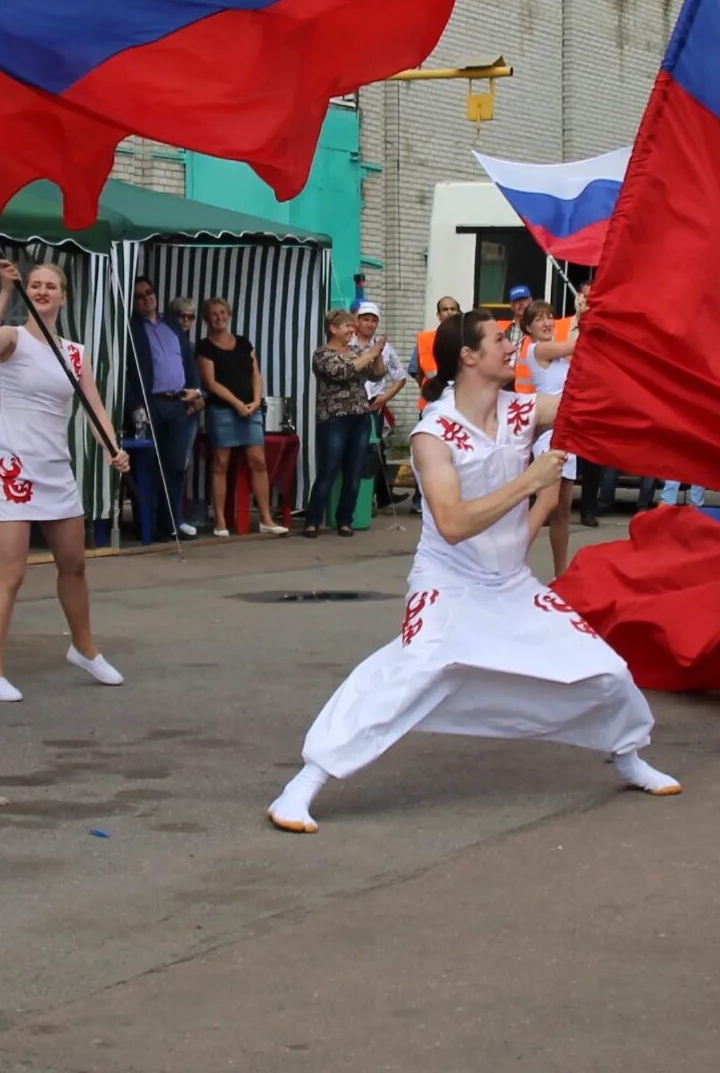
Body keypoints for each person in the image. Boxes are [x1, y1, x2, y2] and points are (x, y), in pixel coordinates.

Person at [266, 307, 680, 833]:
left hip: (511, 584)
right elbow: (455, 523)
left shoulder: (520, 411)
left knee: (607, 670)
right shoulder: (432, 434)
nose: (512, 347)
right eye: (500, 340)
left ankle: (626, 755)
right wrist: (530, 483)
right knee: (410, 673)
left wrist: (626, 352)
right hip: (448, 585)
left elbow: (594, 408)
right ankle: (304, 784)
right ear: (468, 356)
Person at [0, 259, 132, 700]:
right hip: (13, 467)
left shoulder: (75, 353)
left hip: (55, 468)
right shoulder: (12, 338)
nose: (41, 291)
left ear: (64, 296)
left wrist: (111, 448)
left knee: (74, 566)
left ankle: (84, 648)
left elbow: (95, 406)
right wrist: (5, 292)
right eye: (35, 285)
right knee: (11, 574)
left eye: (50, 286)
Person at [197, 297, 283, 536]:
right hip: (223, 411)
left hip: (251, 410)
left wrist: (256, 400)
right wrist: (236, 403)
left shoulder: (244, 343)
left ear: (230, 315)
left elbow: (256, 373)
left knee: (259, 462)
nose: (219, 317)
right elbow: (211, 383)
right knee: (221, 464)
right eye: (214, 314)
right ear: (207, 319)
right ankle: (221, 521)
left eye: (223, 312)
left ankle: (266, 519)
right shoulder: (204, 347)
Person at [128, 276, 205, 539]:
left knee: (175, 466)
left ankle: (170, 522)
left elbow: (188, 361)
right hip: (150, 404)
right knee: (148, 466)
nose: (146, 298)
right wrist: (134, 404)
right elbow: (126, 371)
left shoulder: (173, 325)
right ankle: (146, 525)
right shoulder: (130, 329)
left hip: (179, 402)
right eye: (139, 296)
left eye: (149, 292)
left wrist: (197, 390)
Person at [513, 301, 583, 573]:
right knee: (548, 502)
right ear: (528, 327)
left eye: (549, 317)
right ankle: (511, 566)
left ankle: (560, 573)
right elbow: (578, 345)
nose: (546, 323)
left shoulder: (560, 355)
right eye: (538, 319)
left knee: (562, 511)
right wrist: (584, 316)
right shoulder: (537, 350)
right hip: (549, 436)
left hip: (569, 435)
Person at [304, 307, 382, 537]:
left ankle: (345, 520)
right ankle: (313, 520)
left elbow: (376, 375)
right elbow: (342, 371)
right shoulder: (322, 354)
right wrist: (369, 354)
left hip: (360, 417)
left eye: (352, 326)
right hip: (334, 418)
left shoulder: (357, 350)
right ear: (333, 329)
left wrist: (377, 354)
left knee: (354, 472)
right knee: (328, 470)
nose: (352, 329)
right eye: (347, 326)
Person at [355, 300, 408, 515]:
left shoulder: (385, 348)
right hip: (349, 402)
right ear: (356, 321)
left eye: (373, 321)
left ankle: (371, 497)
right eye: (365, 319)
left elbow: (401, 376)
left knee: (372, 451)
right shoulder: (348, 344)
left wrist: (385, 398)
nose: (369, 324)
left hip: (373, 403)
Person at [415, 296, 462, 387]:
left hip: (460, 394)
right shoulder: (425, 339)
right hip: (433, 394)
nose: (449, 312)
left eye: (453, 309)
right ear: (438, 315)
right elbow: (417, 373)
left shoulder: (467, 338)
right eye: (445, 309)